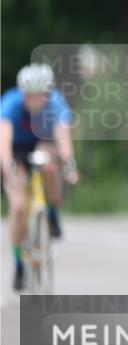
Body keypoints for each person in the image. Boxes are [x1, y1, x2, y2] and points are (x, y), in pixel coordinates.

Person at [1, 63, 79, 291]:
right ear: (22, 93)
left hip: (42, 143)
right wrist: (7, 167)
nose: (34, 100)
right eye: (29, 95)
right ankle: (19, 265)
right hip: (16, 149)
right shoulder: (10, 103)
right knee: (18, 207)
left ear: (47, 93)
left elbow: (63, 137)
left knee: (51, 165)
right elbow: (3, 139)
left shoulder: (56, 103)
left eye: (40, 95)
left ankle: (52, 211)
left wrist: (70, 165)